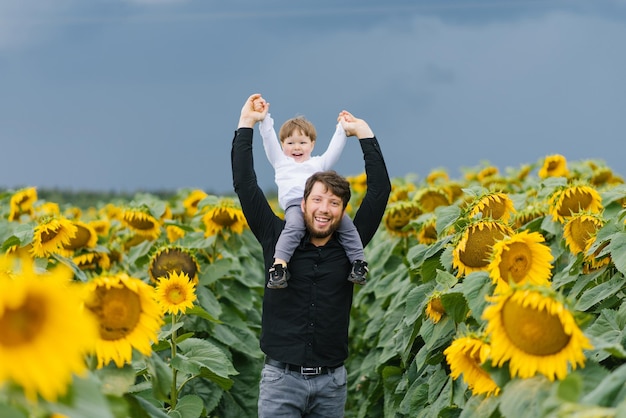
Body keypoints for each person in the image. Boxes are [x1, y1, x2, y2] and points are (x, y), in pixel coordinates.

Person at [231, 93, 391, 417]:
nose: (324, 209)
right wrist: (247, 123)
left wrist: (363, 132)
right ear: (302, 203)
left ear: (343, 211)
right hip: (280, 381)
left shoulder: (351, 244)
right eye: (317, 200)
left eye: (334, 203)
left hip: (331, 385)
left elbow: (380, 191)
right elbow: (245, 184)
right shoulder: (275, 237)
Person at [252, 96, 369, 288]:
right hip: (295, 205)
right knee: (294, 227)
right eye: (290, 143)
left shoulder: (318, 164)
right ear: (282, 145)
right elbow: (268, 140)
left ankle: (358, 263)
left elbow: (334, 150)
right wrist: (264, 119)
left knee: (346, 225)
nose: (296, 147)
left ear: (312, 144)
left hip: (318, 204)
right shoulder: (281, 162)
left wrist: (342, 128)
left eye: (302, 142)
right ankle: (279, 266)